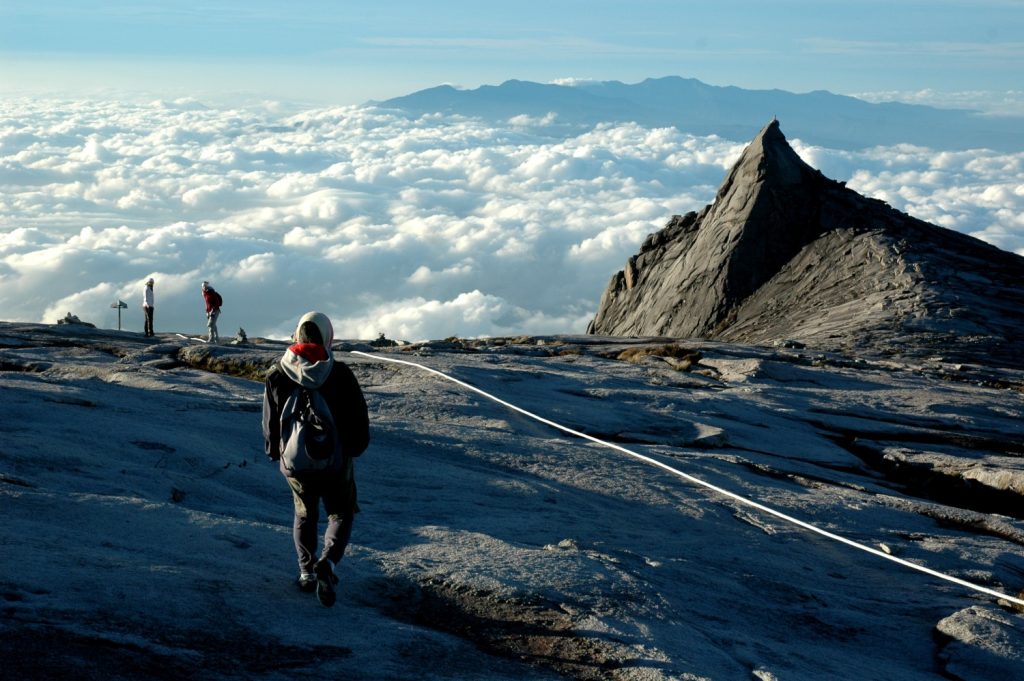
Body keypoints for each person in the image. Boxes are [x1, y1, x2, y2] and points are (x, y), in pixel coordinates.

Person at [262, 311, 369, 607]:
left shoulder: (277, 373)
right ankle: (328, 563)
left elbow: (270, 421)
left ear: (298, 335)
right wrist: (355, 448)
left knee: (304, 514)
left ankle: (306, 572)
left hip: (296, 462)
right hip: (335, 461)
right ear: (327, 336)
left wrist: (274, 451)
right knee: (341, 513)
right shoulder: (340, 373)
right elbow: (358, 417)